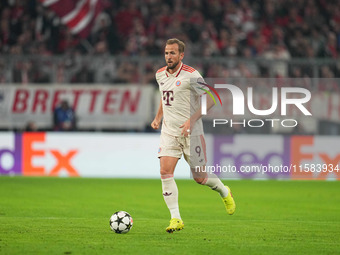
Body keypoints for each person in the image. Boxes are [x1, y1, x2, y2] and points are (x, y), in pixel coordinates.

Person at [151, 38, 236, 233]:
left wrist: (191, 120)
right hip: (170, 131)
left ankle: (224, 190)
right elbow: (165, 98)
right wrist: (157, 118)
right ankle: (176, 218)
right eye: (166, 52)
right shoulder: (160, 75)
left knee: (200, 177)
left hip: (193, 132)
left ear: (181, 55)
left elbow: (213, 98)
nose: (168, 56)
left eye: (172, 53)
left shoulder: (191, 75)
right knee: (165, 171)